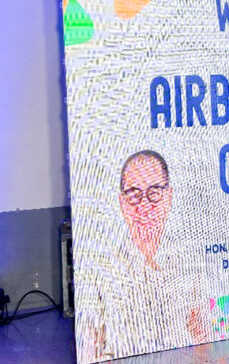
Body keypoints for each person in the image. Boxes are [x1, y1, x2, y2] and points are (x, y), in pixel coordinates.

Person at [77, 150, 207, 361]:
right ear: (122, 203)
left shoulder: (189, 258)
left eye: (154, 192)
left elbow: (202, 334)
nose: (145, 206)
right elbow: (91, 346)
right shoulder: (100, 267)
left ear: (169, 197)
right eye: (134, 195)